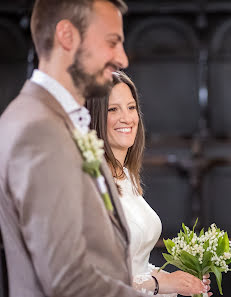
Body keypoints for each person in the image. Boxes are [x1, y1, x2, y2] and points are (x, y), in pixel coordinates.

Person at [0, 0, 191, 296]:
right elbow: (69, 281)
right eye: (112, 42)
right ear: (67, 36)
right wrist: (156, 287)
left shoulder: (53, 120)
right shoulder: (38, 130)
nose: (122, 58)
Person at [86, 70, 212, 296]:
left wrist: (180, 281)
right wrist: (161, 284)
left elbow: (138, 268)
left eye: (131, 107)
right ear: (95, 117)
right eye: (113, 109)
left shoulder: (127, 177)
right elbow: (92, 277)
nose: (127, 118)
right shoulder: (91, 184)